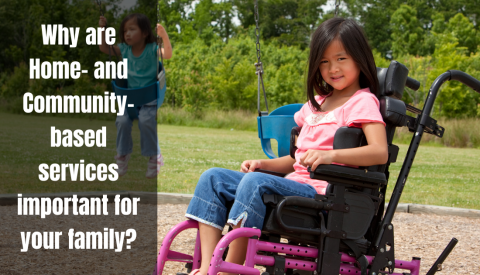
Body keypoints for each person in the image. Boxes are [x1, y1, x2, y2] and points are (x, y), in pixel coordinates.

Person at [183, 17, 388, 275]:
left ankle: (230, 269)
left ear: (359, 58)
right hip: (294, 183)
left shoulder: (362, 102)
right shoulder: (317, 104)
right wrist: (264, 164)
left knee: (255, 182)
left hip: (323, 196)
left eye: (341, 58)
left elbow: (379, 151)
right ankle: (206, 267)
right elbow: (296, 159)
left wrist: (330, 155)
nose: (332, 68)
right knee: (212, 178)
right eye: (324, 61)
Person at [98, 13, 172, 178]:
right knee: (122, 120)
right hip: (130, 98)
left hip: (150, 98)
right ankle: (122, 156)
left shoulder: (152, 49)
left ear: (145, 33)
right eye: (125, 31)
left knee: (146, 120)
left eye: (132, 29)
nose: (127, 34)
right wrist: (101, 30)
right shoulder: (124, 50)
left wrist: (164, 36)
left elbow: (167, 54)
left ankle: (155, 157)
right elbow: (104, 48)